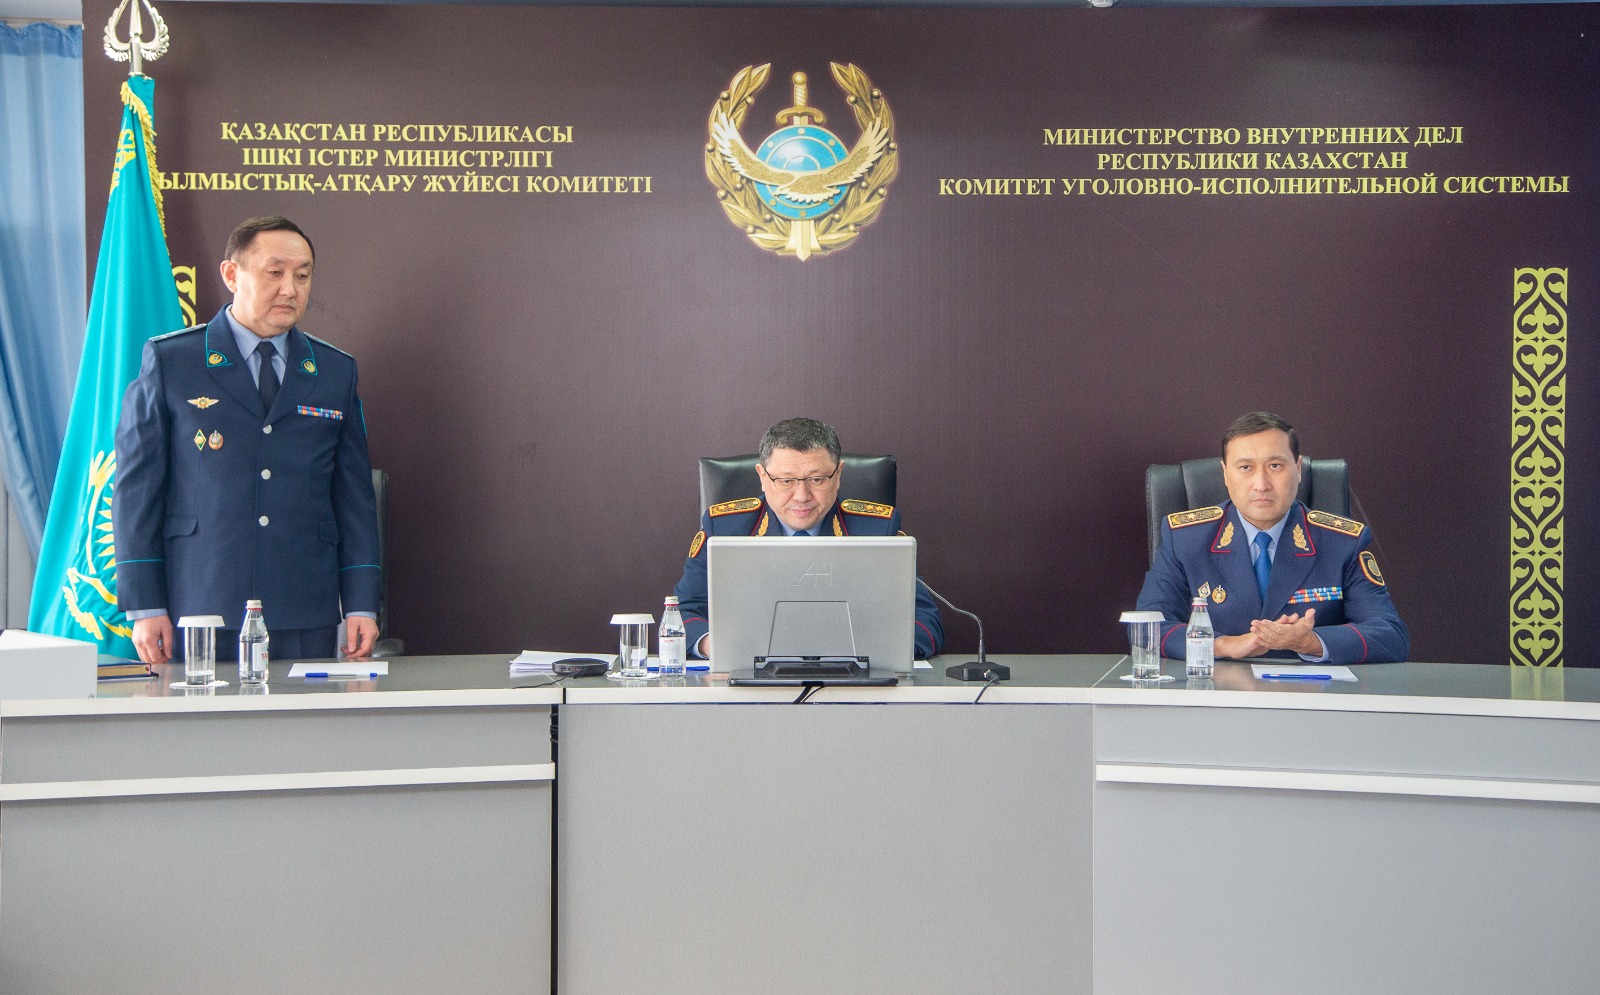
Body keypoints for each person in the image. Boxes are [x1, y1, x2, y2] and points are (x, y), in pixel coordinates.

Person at [114, 216, 381, 663]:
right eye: (275, 273)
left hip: (303, 604)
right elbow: (136, 490)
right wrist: (145, 605)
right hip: (199, 603)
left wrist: (361, 602)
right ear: (231, 274)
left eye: (302, 275)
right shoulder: (173, 361)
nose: (290, 289)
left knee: (305, 711)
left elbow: (354, 498)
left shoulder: (335, 371)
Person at [1136, 411, 1409, 665]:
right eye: (1245, 467)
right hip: (1216, 691)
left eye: (1275, 465)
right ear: (1225, 474)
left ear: (1298, 469)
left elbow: (1390, 635)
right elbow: (1148, 626)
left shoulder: (1342, 543)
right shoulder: (1186, 539)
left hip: (1312, 694)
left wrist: (1312, 642)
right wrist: (1221, 645)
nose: (1261, 484)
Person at [674, 417, 944, 661]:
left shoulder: (878, 529)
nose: (802, 496)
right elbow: (683, 611)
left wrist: (871, 649)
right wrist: (714, 646)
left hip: (852, 681)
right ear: (762, 477)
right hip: (748, 679)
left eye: (816, 479)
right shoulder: (723, 527)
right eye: (786, 481)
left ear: (838, 475)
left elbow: (925, 622)